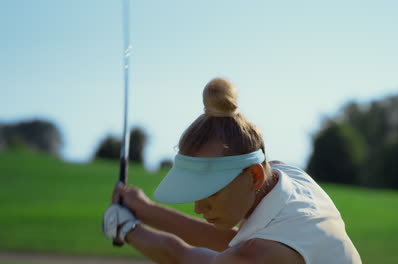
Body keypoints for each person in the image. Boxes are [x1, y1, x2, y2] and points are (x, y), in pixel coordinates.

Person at [102, 78, 362, 264]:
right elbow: (232, 239)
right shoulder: (289, 177)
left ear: (254, 176)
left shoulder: (259, 256)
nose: (199, 207)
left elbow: (180, 255)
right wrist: (145, 209)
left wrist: (125, 228)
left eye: (211, 192)